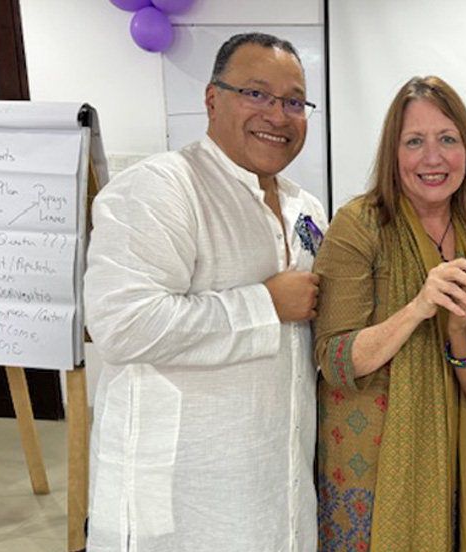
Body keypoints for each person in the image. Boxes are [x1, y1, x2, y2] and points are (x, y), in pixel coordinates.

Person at [84, 33, 325, 551]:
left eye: (293, 101)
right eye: (256, 94)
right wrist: (266, 304)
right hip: (183, 493)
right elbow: (123, 327)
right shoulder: (160, 188)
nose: (277, 115)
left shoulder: (306, 208)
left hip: (276, 483)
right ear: (212, 99)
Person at [312, 76, 466, 552]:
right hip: (373, 465)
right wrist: (420, 307)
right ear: (392, 153)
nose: (432, 158)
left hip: (462, 454)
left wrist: (462, 329)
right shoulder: (359, 225)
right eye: (414, 141)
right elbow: (336, 361)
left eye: (447, 139)